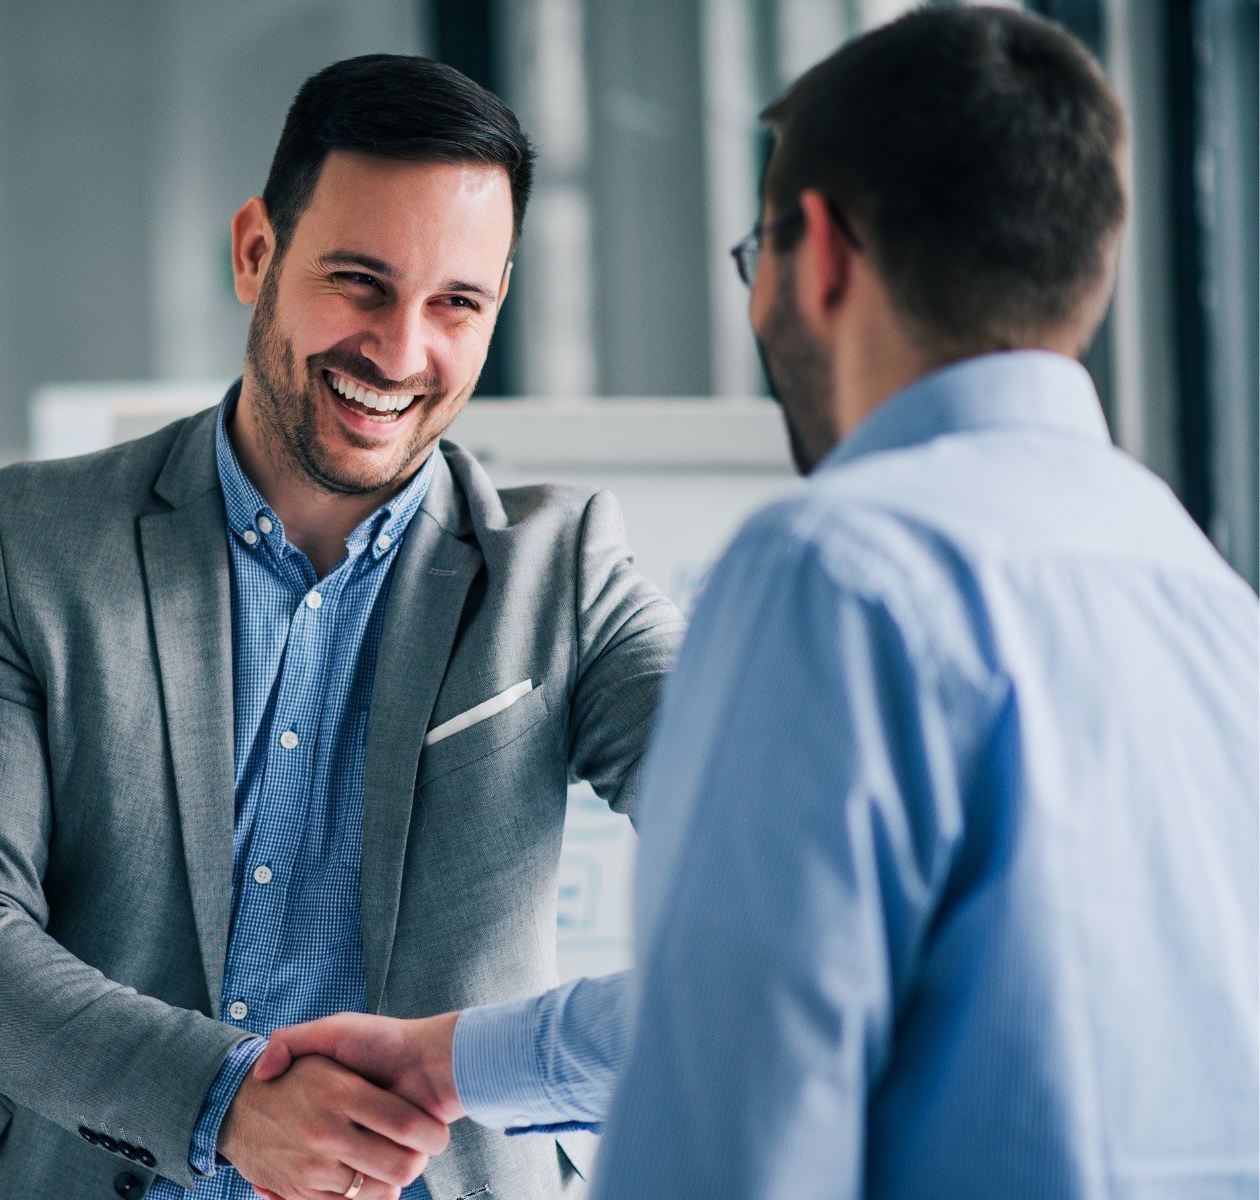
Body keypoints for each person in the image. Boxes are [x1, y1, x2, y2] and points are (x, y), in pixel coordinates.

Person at [252, 10, 1260, 1197]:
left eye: (753, 253)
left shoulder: (835, 571)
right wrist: (458, 1059)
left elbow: (732, 1110)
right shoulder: (1206, 597)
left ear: (818, 251)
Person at [0, 54, 686, 1200]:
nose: (399, 353)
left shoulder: (564, 575)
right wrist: (222, 1102)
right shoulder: (27, 542)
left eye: (456, 303)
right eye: (358, 282)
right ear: (256, 251)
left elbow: (781, 856)